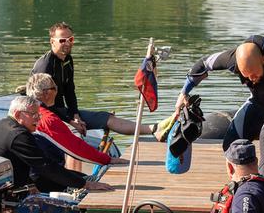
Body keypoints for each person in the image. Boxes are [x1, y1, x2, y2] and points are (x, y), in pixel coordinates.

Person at [173, 34, 264, 182]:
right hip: (258, 103)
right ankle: (240, 186)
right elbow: (203, 64)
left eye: (254, 74)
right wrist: (183, 93)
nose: (251, 80)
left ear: (263, 59)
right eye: (246, 76)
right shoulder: (231, 59)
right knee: (230, 143)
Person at [31, 21, 172, 139]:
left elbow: (70, 91)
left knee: (107, 118)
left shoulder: (67, 59)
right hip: (46, 116)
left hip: (65, 112)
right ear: (52, 42)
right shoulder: (45, 66)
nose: (67, 43)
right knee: (74, 131)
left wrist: (74, 114)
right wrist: (70, 121)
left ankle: (155, 129)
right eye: (62, 40)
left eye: (71, 39)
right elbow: (42, 106)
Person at [0, 96, 113, 193]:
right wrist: (85, 184)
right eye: (34, 115)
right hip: (4, 190)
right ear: (19, 114)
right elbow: (45, 167)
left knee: (78, 177)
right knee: (79, 182)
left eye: (39, 115)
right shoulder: (19, 135)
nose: (38, 119)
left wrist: (81, 180)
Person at [26, 73, 128, 168]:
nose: (57, 91)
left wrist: (71, 121)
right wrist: (108, 159)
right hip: (46, 174)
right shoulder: (48, 119)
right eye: (55, 88)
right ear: (46, 93)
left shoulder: (27, 112)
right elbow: (76, 148)